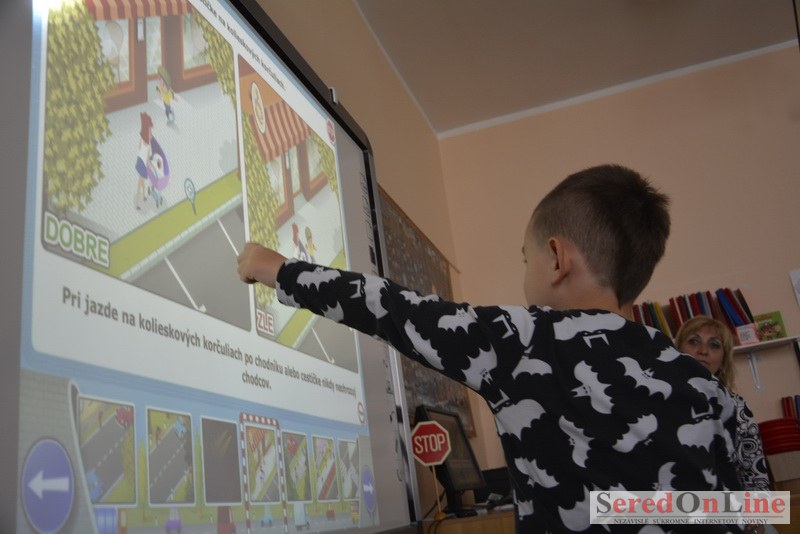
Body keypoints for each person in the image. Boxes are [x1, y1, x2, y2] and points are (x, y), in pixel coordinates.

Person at [237, 164, 742, 532]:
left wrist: (276, 268)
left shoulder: (527, 341)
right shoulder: (703, 383)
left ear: (556, 258)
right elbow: (743, 510)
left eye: (525, 258)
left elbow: (390, 308)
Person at [674, 317, 771, 491]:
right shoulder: (662, 399)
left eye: (714, 345)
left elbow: (755, 476)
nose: (703, 350)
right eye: (694, 341)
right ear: (677, 350)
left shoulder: (737, 406)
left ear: (723, 362)